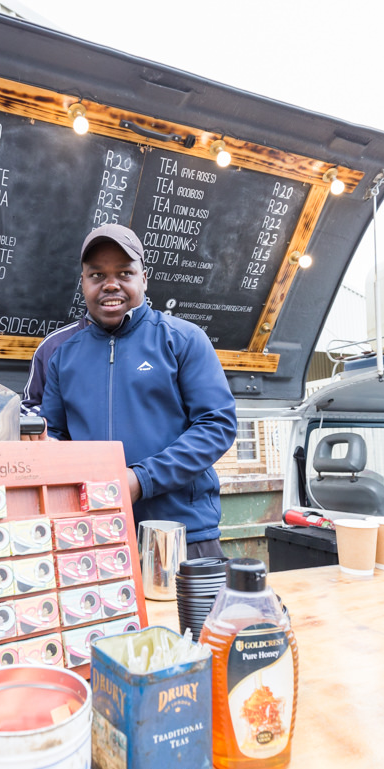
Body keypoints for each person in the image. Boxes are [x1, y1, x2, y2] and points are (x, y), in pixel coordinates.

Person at [40, 223, 237, 559]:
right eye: (97, 275)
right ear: (83, 283)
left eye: (124, 273)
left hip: (182, 535)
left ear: (143, 279)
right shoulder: (64, 356)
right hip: (94, 536)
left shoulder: (183, 339)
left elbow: (216, 425)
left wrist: (141, 480)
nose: (110, 284)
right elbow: (55, 434)